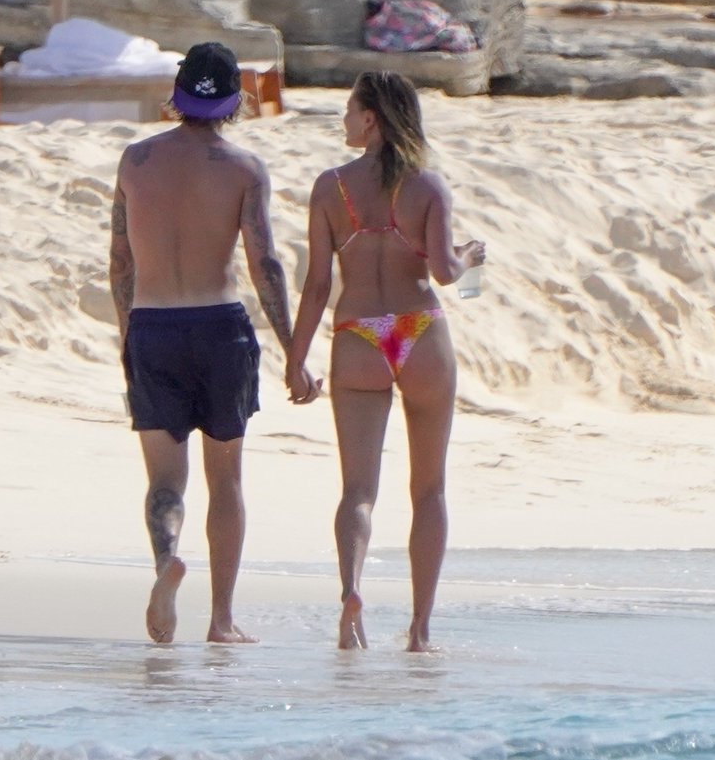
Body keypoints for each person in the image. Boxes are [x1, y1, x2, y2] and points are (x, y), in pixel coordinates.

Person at [110, 42, 317, 645]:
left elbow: (119, 263)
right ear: (236, 100)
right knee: (226, 480)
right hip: (221, 329)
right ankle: (222, 619)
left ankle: (166, 558)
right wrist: (292, 352)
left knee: (165, 482)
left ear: (176, 95)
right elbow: (266, 264)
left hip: (154, 326)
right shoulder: (244, 169)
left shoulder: (135, 161)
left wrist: (131, 341)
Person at [285, 71, 485, 652]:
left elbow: (317, 284)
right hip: (419, 329)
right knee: (429, 490)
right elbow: (448, 274)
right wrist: (471, 255)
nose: (344, 120)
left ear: (370, 117)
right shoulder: (428, 186)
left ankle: (351, 590)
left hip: (357, 333)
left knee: (358, 492)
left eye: (349, 109)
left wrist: (297, 361)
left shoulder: (331, 188)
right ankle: (420, 630)